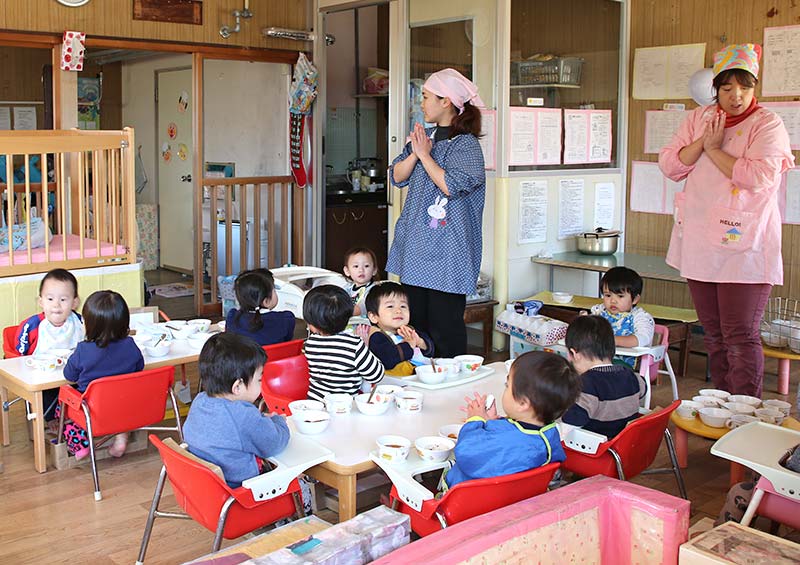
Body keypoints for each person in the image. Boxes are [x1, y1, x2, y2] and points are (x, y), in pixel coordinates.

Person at [659, 43, 794, 396]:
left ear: (754, 88)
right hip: (701, 243)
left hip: (745, 248)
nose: (736, 96)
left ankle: (745, 412)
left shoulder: (767, 123)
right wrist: (705, 140)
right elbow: (671, 165)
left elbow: (758, 177)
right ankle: (719, 406)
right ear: (715, 88)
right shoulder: (699, 119)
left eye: (744, 87)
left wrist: (714, 150)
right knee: (714, 334)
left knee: (740, 335)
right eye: (727, 87)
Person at [386, 68, 486, 358]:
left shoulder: (466, 145)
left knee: (445, 328)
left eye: (427, 97)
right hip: (416, 247)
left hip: (448, 253)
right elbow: (396, 175)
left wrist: (425, 155)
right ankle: (421, 382)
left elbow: (451, 185)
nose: (422, 103)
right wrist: (417, 152)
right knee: (413, 324)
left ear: (446, 101)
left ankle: (453, 386)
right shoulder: (423, 138)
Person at [441, 351, 581, 490]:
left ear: (523, 403)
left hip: (472, 504)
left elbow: (466, 452)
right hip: (517, 500)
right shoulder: (549, 435)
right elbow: (516, 436)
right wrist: (493, 422)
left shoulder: (507, 442)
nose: (505, 389)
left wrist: (474, 420)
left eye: (507, 385)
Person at [183, 333, 290, 488]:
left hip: (204, 489)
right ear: (237, 387)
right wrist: (279, 421)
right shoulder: (243, 417)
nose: (261, 384)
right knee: (299, 481)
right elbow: (275, 443)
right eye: (259, 379)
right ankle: (305, 512)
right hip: (241, 494)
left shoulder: (200, 401)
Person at [61, 290, 144, 459]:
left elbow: (69, 375)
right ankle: (121, 436)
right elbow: (139, 368)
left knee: (63, 401)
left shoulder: (83, 350)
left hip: (92, 410)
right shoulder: (130, 345)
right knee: (115, 402)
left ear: (89, 324)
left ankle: (80, 445)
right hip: (125, 405)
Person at [13, 268, 85, 423]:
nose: (56, 305)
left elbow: (88, 343)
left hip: (72, 375)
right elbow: (20, 354)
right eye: (50, 299)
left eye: (63, 300)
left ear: (74, 302)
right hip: (43, 377)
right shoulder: (33, 326)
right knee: (47, 398)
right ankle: (50, 420)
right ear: (41, 302)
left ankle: (74, 420)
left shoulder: (80, 322)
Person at [561, 316, 645, 438]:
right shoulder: (631, 375)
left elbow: (570, 424)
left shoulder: (586, 384)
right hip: (626, 445)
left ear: (574, 354)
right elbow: (644, 389)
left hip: (598, 450)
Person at [302, 285, 384, 401]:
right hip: (343, 408)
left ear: (312, 325)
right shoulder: (354, 345)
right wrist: (365, 347)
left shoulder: (310, 344)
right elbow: (376, 375)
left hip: (315, 404)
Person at [364, 282, 434, 376]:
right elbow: (387, 360)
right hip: (394, 383)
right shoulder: (377, 336)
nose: (398, 310)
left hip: (420, 378)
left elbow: (430, 352)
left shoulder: (410, 331)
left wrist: (420, 342)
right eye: (390, 306)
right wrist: (408, 345)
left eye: (403, 306)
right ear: (373, 316)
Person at [589, 266, 654, 367]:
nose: (613, 301)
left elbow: (643, 338)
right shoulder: (599, 312)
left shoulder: (639, 317)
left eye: (620, 296)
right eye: (608, 295)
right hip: (597, 360)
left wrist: (613, 340)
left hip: (625, 366)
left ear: (635, 299)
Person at [226, 269, 295, 346]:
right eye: (274, 290)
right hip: (276, 357)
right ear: (266, 301)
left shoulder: (232, 317)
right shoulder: (286, 319)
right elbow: (287, 342)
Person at [343, 246, 379, 316]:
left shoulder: (374, 290)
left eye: (366, 266)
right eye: (356, 266)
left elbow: (359, 310)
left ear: (374, 270)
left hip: (365, 325)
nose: (361, 270)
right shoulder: (347, 288)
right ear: (347, 271)